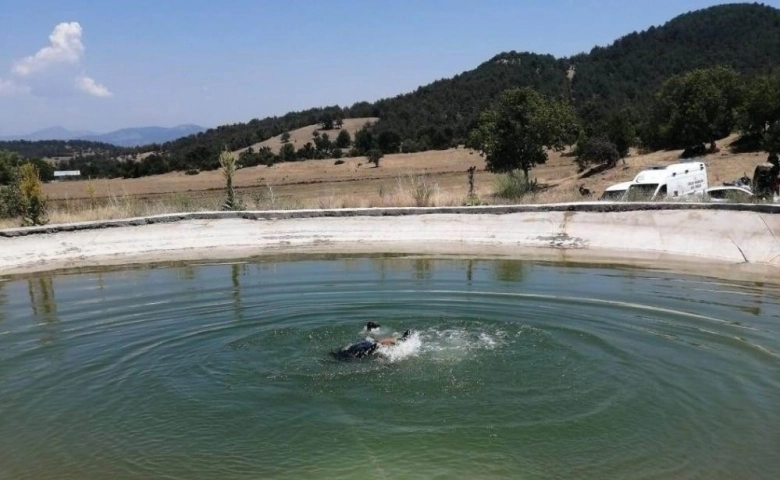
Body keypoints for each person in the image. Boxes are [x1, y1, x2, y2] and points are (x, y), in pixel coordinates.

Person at [330, 322, 413, 360]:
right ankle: (401, 340)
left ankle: (370, 330)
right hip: (355, 352)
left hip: (348, 351)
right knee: (376, 343)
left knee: (370, 341)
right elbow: (378, 344)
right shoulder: (372, 346)